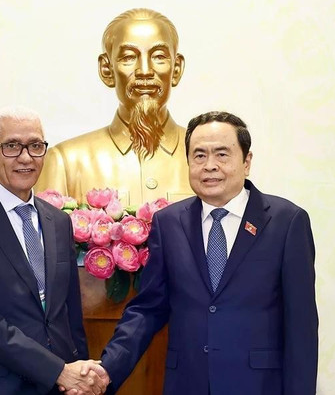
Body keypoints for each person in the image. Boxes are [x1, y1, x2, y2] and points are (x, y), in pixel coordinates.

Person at [97, 111, 319, 394]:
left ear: (246, 161)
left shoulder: (286, 222)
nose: (209, 166)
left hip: (259, 386)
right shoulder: (168, 223)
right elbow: (149, 309)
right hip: (187, 384)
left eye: (222, 154)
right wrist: (107, 370)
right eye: (199, 156)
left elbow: (301, 327)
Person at [0, 106, 108, 395]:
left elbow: (69, 314)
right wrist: (58, 371)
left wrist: (80, 373)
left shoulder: (59, 222)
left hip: (61, 387)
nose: (26, 157)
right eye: (12, 146)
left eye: (35, 146)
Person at [35, 8, 193, 206]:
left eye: (159, 56)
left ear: (176, 69)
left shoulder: (206, 160)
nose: (144, 71)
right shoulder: (66, 162)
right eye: (128, 57)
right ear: (107, 69)